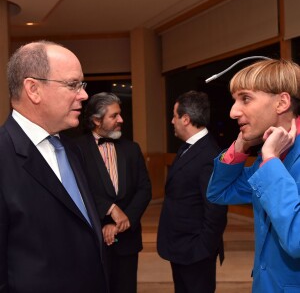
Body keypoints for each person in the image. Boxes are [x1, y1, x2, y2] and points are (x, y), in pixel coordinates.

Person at [0, 40, 108, 293]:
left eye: (82, 85)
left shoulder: (72, 151)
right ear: (33, 89)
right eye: (73, 85)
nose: (84, 95)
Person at [206, 58, 300, 293]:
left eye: (245, 98)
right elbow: (219, 192)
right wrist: (241, 145)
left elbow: (296, 239)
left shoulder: (271, 157)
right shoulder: (274, 153)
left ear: (282, 102)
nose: (233, 112)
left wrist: (269, 160)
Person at [76, 92, 152, 293]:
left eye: (120, 114)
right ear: (96, 120)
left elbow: (144, 190)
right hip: (93, 240)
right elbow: (78, 188)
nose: (121, 120)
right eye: (114, 116)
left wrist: (124, 220)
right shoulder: (76, 150)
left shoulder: (132, 149)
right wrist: (109, 209)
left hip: (128, 241)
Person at [157, 91, 228, 293]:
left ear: (186, 119)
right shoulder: (188, 147)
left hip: (195, 252)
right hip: (181, 248)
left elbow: (216, 211)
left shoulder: (209, 155)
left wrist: (202, 250)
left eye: (174, 116)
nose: (172, 121)